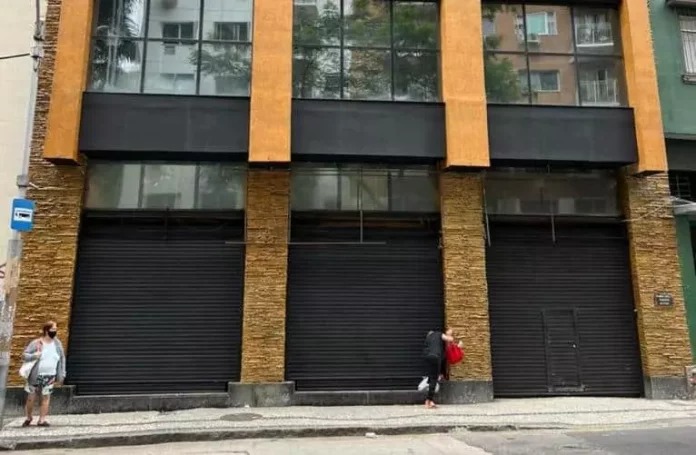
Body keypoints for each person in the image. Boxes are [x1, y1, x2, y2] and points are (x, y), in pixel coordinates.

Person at [21, 321, 66, 427]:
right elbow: (24, 355)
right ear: (46, 330)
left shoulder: (57, 344)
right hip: (35, 375)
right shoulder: (37, 343)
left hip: (50, 375)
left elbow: (62, 358)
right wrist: (34, 356)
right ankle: (29, 417)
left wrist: (63, 372)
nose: (55, 331)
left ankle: (42, 420)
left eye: (56, 329)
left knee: (46, 397)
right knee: (31, 397)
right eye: (53, 329)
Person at [422, 328, 455, 409]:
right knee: (434, 379)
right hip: (435, 357)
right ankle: (428, 401)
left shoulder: (428, 339)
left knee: (431, 377)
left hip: (428, 358)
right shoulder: (438, 334)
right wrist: (450, 335)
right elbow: (450, 339)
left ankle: (429, 400)